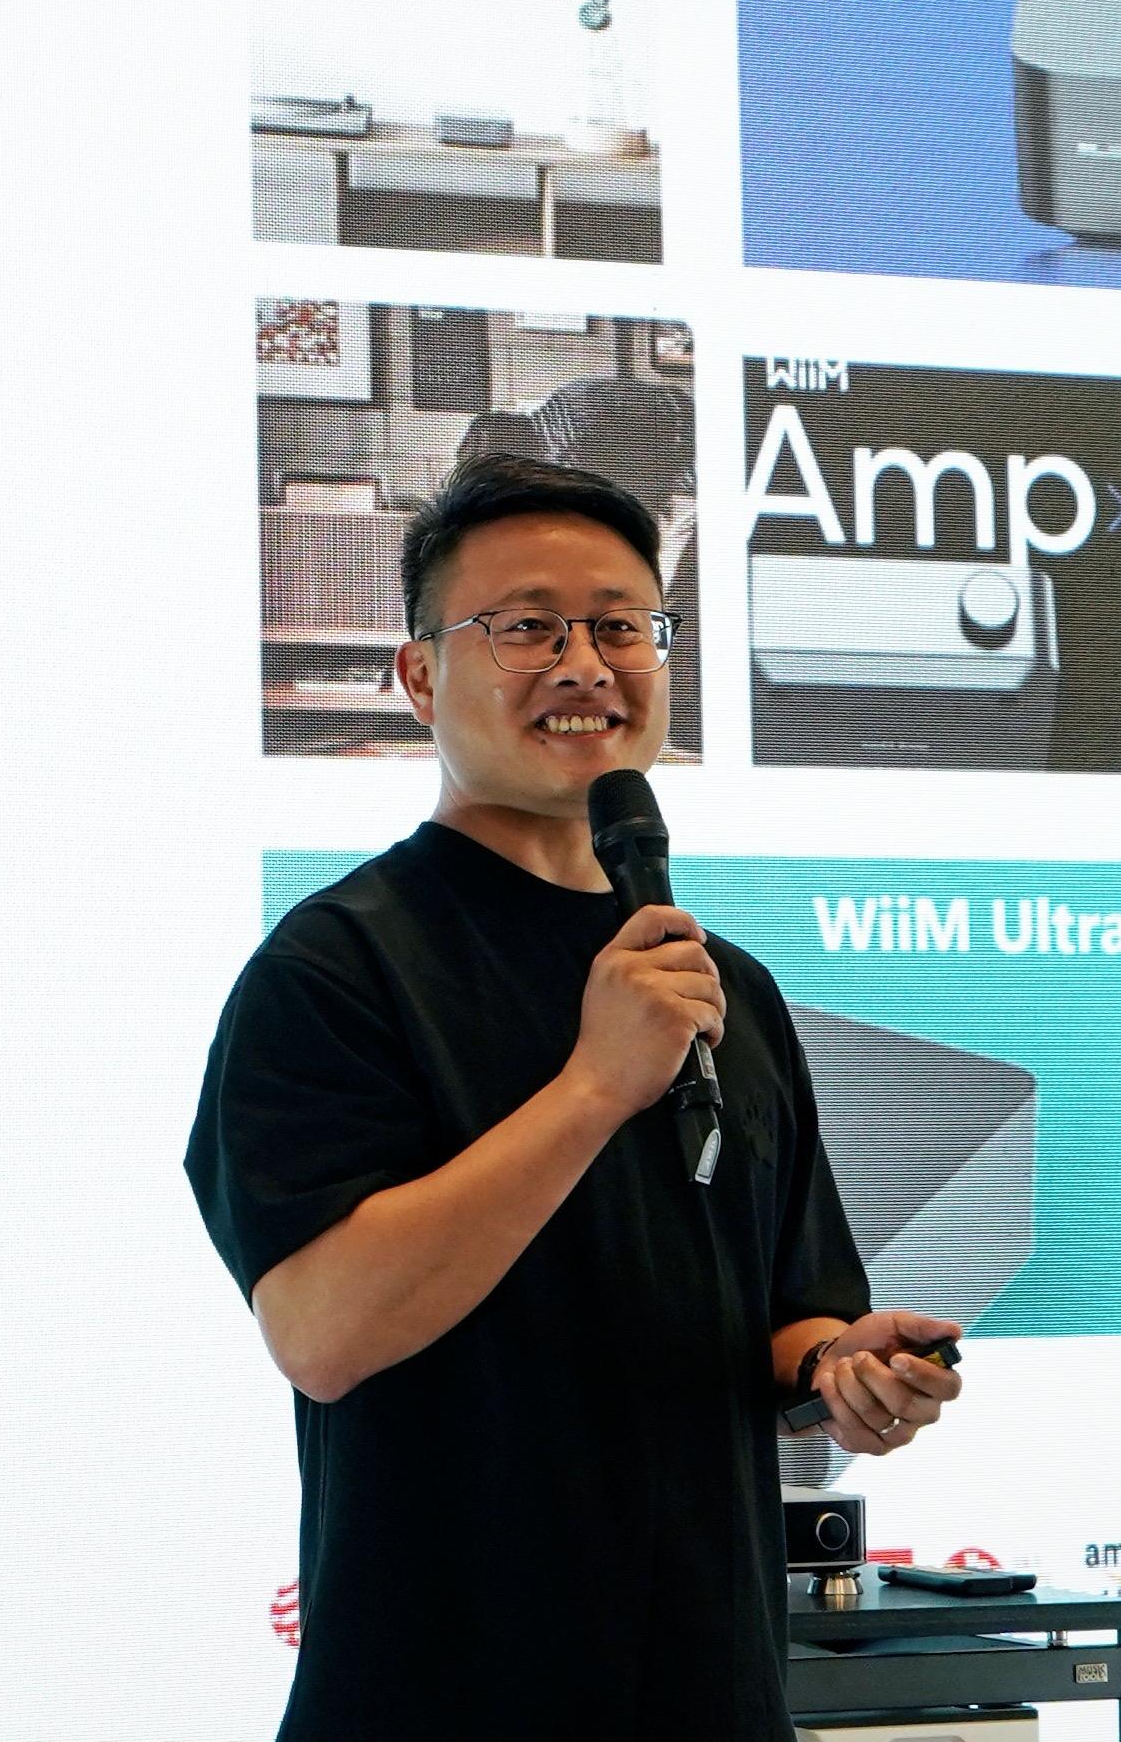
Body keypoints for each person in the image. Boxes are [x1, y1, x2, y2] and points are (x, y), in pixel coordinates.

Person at [185, 455, 963, 1742]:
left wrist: (843, 1370)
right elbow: (321, 1330)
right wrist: (595, 1086)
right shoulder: (335, 968)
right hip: (437, 1703)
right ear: (418, 674)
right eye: (526, 628)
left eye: (617, 626)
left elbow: (786, 1310)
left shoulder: (722, 985)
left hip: (710, 1693)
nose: (583, 665)